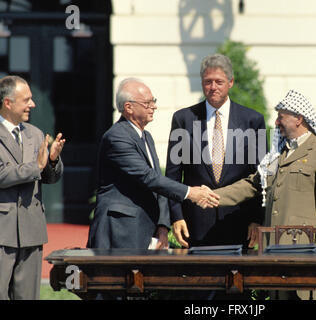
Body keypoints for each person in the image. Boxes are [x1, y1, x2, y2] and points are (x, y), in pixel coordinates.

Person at [207, 89, 316, 300]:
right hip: (274, 255)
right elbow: (251, 185)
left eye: (281, 117)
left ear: (299, 118)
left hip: (304, 256)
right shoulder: (277, 155)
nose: (277, 122)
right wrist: (212, 196)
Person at [87, 78, 219, 250]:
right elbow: (148, 177)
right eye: (148, 103)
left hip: (145, 230)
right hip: (120, 230)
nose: (154, 107)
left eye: (153, 101)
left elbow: (158, 181)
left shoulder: (146, 137)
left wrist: (163, 226)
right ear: (128, 107)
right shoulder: (117, 137)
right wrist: (190, 192)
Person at [166, 53, 266, 249]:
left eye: (219, 82)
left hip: (240, 222)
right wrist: (176, 216)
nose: (213, 87)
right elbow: (173, 176)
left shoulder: (253, 120)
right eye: (208, 82)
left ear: (231, 82)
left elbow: (262, 176)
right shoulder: (183, 119)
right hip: (195, 225)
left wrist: (257, 219)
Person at [0, 75, 65, 300]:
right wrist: (36, 166)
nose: (33, 104)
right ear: (8, 103)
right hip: (2, 232)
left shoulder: (36, 133)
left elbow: (49, 177)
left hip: (31, 230)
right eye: (26, 99)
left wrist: (53, 161)